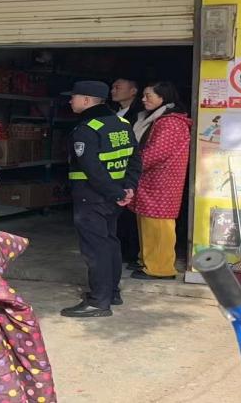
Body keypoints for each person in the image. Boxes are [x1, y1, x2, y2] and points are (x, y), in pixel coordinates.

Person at [61, 81, 141, 318]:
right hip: (115, 197)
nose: (70, 101)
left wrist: (116, 193)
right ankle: (112, 293)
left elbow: (92, 169)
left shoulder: (86, 129)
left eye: (74, 97)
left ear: (86, 100)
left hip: (92, 197)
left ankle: (99, 302)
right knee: (110, 243)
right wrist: (127, 189)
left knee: (96, 249)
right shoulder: (122, 124)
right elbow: (135, 159)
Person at [129, 82, 192, 281]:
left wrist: (131, 165)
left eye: (148, 95)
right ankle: (148, 261)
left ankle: (160, 269)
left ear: (163, 97)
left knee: (158, 225)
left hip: (162, 182)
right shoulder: (160, 119)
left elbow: (155, 153)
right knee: (148, 223)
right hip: (153, 181)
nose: (143, 99)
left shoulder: (170, 122)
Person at [110, 77, 144, 268]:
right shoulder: (113, 112)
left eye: (118, 87)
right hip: (115, 169)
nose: (113, 90)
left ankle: (132, 252)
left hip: (129, 169)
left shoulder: (139, 114)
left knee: (130, 214)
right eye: (113, 87)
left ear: (133, 91)